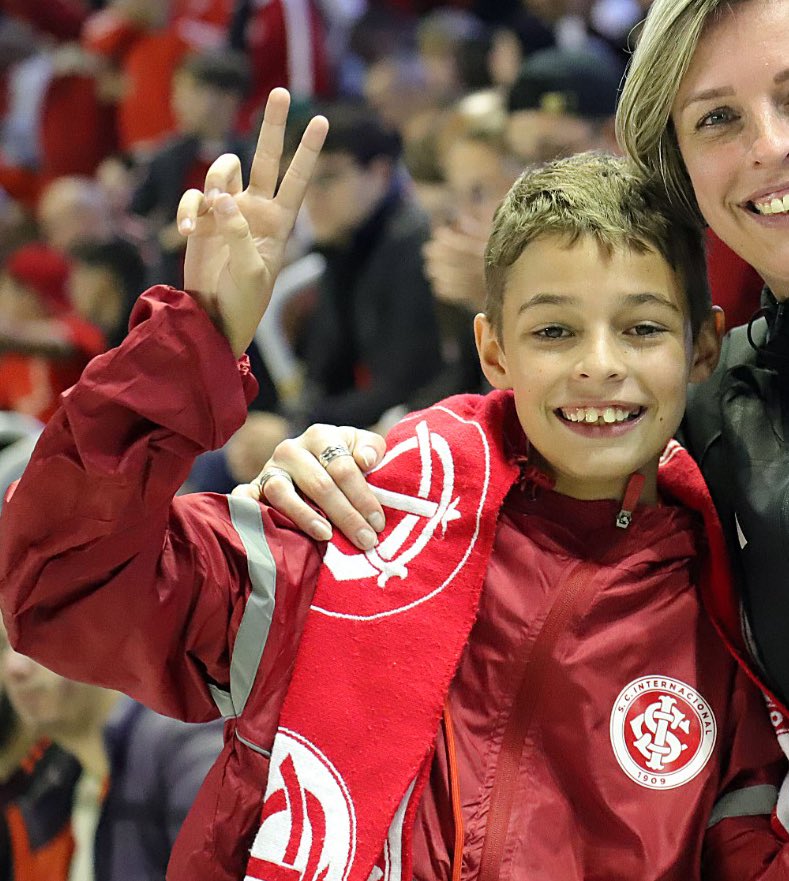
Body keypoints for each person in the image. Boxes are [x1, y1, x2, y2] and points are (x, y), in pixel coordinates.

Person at [0, 81, 788, 880]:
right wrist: (195, 336)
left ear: (700, 350)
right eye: (552, 329)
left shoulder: (734, 604)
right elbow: (60, 583)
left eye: (642, 327)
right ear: (493, 351)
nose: (598, 363)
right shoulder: (353, 516)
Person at [254, 0, 789, 712]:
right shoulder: (702, 405)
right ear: (677, 165)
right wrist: (352, 469)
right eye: (716, 118)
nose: (768, 145)